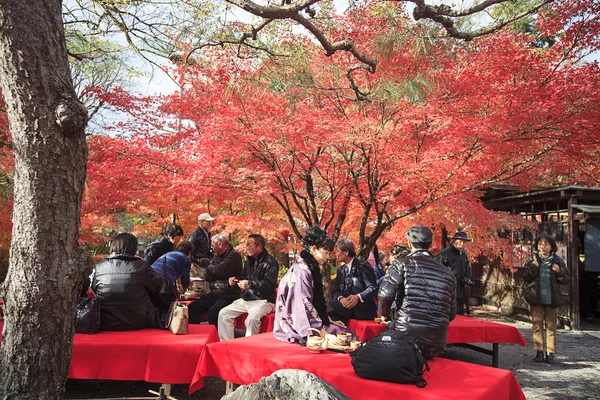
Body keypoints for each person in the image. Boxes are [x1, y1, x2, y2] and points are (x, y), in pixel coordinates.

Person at [378, 226, 456, 359]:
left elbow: (385, 295)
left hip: (405, 334)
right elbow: (451, 314)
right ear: (430, 244)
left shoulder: (400, 264)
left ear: (409, 243)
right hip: (436, 339)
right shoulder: (448, 273)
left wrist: (385, 314)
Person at [274, 226, 355, 343]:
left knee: (346, 334)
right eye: (326, 253)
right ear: (314, 249)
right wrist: (322, 331)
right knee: (346, 338)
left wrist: (327, 319)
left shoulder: (307, 267)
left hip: (306, 320)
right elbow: (303, 305)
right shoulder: (302, 271)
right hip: (299, 325)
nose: (328, 257)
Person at [92, 233, 163, 331]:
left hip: (105, 321)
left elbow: (94, 288)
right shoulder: (141, 266)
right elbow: (158, 286)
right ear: (133, 247)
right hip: (137, 320)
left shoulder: (100, 266)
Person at [217, 234, 279, 341]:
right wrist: (235, 279)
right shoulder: (249, 261)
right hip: (247, 298)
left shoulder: (271, 262)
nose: (247, 248)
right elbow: (244, 276)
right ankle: (227, 344)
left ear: (259, 247)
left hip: (264, 300)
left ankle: (249, 347)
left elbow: (268, 285)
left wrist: (249, 284)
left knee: (252, 319)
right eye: (247, 245)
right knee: (223, 314)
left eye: (250, 245)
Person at [521, 234, 570, 364]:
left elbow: (566, 279)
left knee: (551, 326)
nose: (543, 247)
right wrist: (533, 267)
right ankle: (539, 351)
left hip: (552, 297)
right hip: (536, 297)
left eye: (546, 244)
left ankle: (550, 352)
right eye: (540, 244)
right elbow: (525, 277)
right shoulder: (532, 260)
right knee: (537, 325)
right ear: (537, 246)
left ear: (551, 247)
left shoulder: (557, 261)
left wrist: (559, 271)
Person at [188, 233, 243, 326]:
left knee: (213, 312)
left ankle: (217, 336)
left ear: (220, 244)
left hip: (229, 293)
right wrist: (213, 271)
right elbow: (207, 275)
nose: (211, 248)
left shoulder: (234, 255)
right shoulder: (216, 256)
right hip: (215, 292)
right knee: (193, 307)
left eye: (213, 245)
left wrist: (211, 269)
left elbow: (220, 270)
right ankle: (196, 334)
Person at [328, 238, 378, 321]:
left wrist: (358, 297)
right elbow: (335, 290)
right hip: (344, 308)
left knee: (329, 308)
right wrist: (341, 298)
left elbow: (373, 288)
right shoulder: (340, 270)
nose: (335, 254)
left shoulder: (363, 266)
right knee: (326, 310)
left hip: (362, 309)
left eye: (337, 251)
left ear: (346, 252)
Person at [437, 231, 474, 315]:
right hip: (447, 292)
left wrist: (466, 279)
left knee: (460, 317)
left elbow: (466, 271)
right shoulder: (445, 253)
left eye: (464, 242)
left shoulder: (464, 255)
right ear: (454, 241)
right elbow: (438, 270)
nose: (462, 243)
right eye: (460, 241)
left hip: (460, 293)